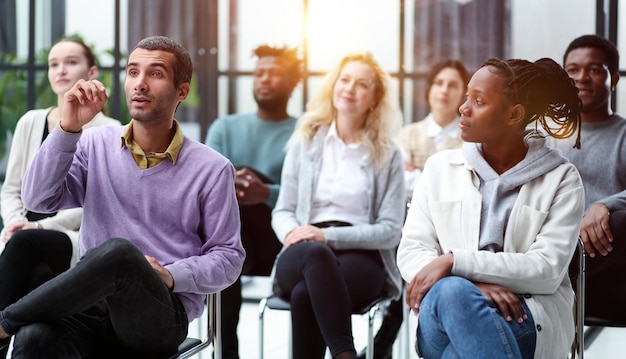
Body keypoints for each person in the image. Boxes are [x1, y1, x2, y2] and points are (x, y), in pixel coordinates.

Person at [0, 35, 244, 358]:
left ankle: (4, 323)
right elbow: (37, 200)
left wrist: (172, 275)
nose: (139, 83)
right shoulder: (93, 143)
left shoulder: (212, 169)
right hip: (91, 309)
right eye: (132, 72)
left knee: (119, 254)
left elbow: (229, 257)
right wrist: (68, 128)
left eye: (155, 74)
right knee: (33, 337)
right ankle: (12, 326)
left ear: (181, 91)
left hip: (157, 317)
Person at [398, 57, 584, 358]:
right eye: (467, 96)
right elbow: (411, 252)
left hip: (523, 316)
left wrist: (453, 262)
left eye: (479, 100)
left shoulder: (561, 178)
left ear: (514, 114)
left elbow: (546, 269)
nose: (463, 107)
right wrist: (473, 287)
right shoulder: (439, 168)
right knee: (453, 295)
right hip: (441, 313)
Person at [271, 51, 405, 359]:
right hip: (301, 250)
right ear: (333, 86)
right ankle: (346, 354)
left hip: (361, 258)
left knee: (307, 293)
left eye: (362, 84)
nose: (349, 88)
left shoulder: (389, 154)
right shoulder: (305, 141)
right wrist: (297, 234)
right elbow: (283, 211)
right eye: (344, 80)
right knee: (315, 256)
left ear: (374, 99)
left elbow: (389, 231)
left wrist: (328, 237)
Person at [0, 37, 120, 358]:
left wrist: (37, 230)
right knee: (36, 274)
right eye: (54, 64)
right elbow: (12, 188)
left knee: (24, 247)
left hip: (72, 237)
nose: (61, 70)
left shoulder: (111, 131)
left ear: (91, 71)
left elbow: (92, 205)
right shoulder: (31, 121)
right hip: (22, 238)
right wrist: (15, 223)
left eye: (70, 62)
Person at [358, 59, 469, 359]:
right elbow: (401, 186)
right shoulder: (406, 135)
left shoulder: (469, 139)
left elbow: (460, 189)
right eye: (439, 83)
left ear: (463, 94)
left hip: (452, 231)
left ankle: (384, 346)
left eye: (453, 85)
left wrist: (417, 173)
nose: (444, 90)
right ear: (429, 90)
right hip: (409, 224)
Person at [205, 44, 302, 359]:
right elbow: (201, 184)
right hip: (228, 236)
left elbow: (308, 199)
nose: (265, 79)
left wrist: (266, 193)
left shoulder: (306, 132)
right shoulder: (225, 127)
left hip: (279, 241)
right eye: (259, 73)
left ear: (292, 81)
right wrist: (228, 186)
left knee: (247, 187)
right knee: (225, 196)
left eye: (275, 73)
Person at [555, 34, 626, 320]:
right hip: (553, 247)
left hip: (609, 267)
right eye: (572, 70)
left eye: (595, 70)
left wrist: (606, 205)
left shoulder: (623, 134)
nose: (581, 78)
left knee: (622, 220)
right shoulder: (544, 136)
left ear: (614, 79)